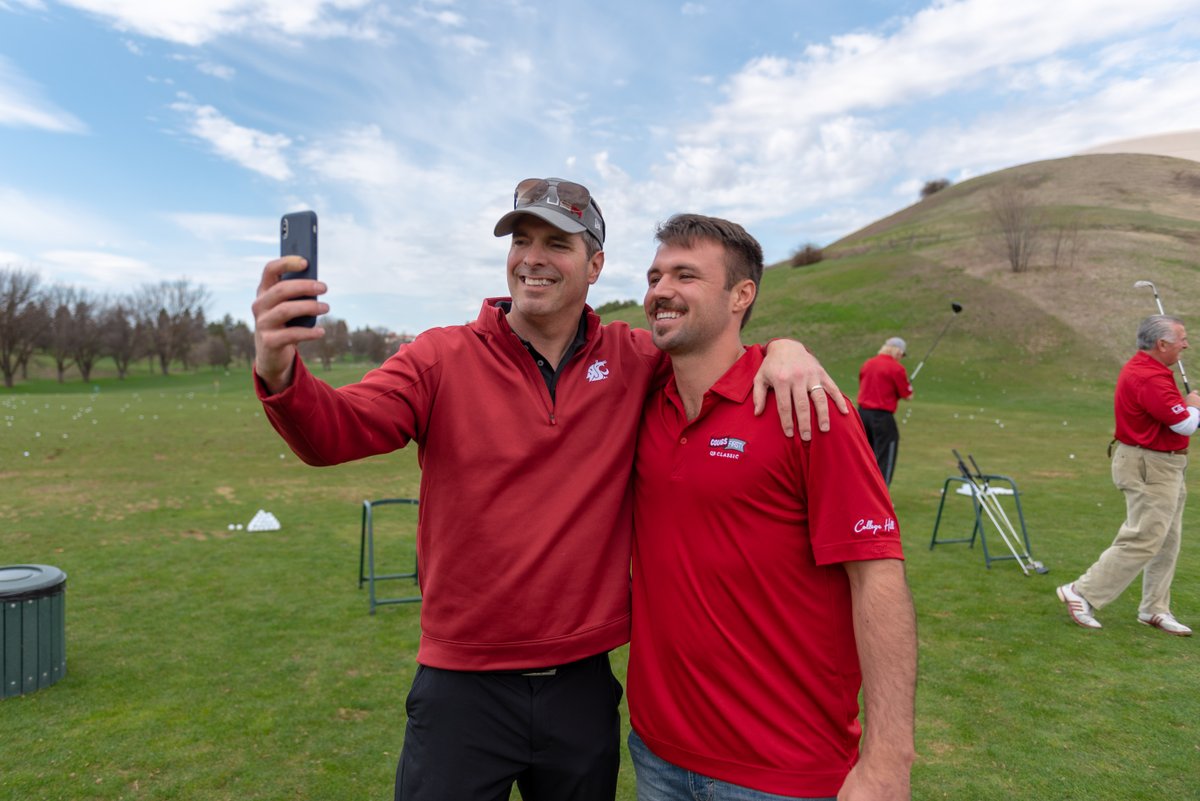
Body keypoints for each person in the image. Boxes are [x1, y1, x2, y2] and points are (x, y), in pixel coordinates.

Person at [250, 179, 848, 801]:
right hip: (464, 687)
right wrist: (278, 367)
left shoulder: (632, 357)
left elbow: (711, 346)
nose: (532, 257)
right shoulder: (440, 357)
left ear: (594, 266)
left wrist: (782, 348)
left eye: (556, 243)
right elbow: (334, 433)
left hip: (581, 690)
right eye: (522, 241)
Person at [627, 214, 917, 800]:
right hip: (657, 754)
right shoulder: (638, 400)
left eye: (686, 275)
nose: (660, 290)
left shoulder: (806, 407)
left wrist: (888, 761)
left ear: (742, 295)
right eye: (655, 275)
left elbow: (876, 577)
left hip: (783, 769)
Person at [1057, 314, 1199, 636]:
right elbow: (1185, 424)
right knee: (1144, 538)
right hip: (1150, 465)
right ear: (1161, 344)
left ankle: (1154, 609)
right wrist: (1194, 406)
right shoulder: (1150, 377)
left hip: (1165, 464)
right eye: (1182, 339)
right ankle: (1082, 592)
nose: (1186, 344)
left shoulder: (1153, 371)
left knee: (1167, 540)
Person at [857, 336, 913, 485]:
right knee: (885, 456)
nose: (901, 357)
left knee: (864, 455)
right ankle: (881, 498)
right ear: (897, 351)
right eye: (901, 354)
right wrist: (908, 387)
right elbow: (907, 395)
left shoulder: (868, 363)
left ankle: (862, 492)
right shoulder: (896, 368)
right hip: (881, 417)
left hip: (861, 415)